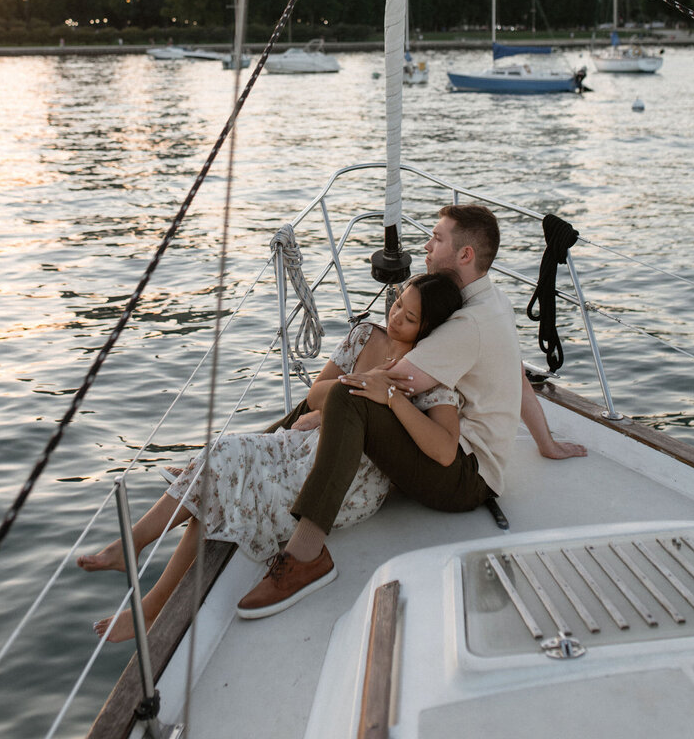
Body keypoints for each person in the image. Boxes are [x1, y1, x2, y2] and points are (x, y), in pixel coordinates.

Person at [236, 203, 583, 620]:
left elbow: (374, 385)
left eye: (437, 239)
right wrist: (545, 443)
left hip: (461, 477)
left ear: (464, 255)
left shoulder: (466, 326)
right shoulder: (493, 301)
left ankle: (306, 553)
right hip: (474, 468)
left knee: (348, 393)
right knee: (347, 386)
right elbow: (517, 377)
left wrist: (320, 411)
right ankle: (253, 447)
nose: (426, 247)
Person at [77, 272, 464, 641]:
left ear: (427, 329)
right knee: (224, 450)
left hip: (350, 481)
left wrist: (391, 396)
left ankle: (151, 607)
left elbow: (445, 448)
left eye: (409, 317)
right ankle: (133, 544)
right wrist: (361, 382)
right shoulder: (365, 336)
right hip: (306, 445)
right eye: (397, 304)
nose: (395, 316)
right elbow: (315, 395)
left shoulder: (424, 373)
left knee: (227, 492)